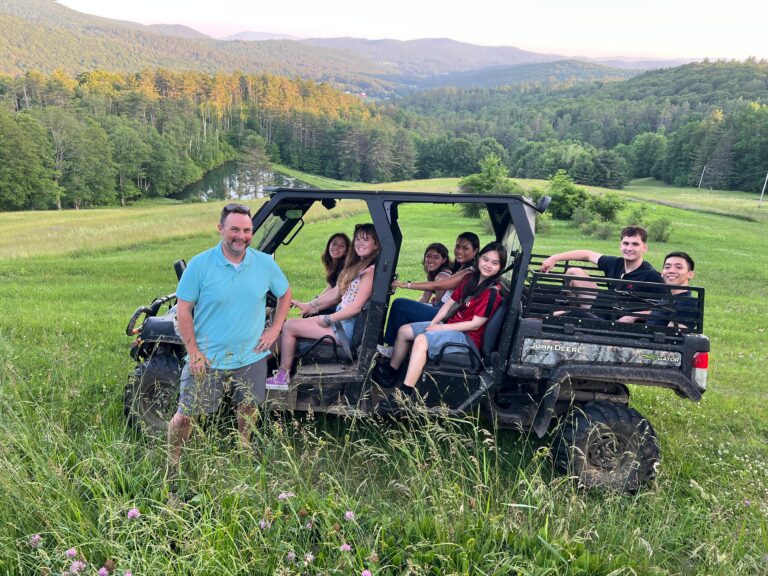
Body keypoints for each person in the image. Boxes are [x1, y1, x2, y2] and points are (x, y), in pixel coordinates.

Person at [168, 202, 292, 471]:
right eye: (235, 229)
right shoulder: (200, 265)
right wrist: (194, 353)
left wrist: (275, 329)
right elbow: (184, 310)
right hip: (208, 357)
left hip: (251, 356)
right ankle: (173, 463)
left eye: (247, 230)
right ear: (220, 229)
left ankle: (243, 447)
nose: (242, 236)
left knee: (248, 407)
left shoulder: (263, 263)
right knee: (185, 416)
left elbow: (285, 293)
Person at [375, 242, 507, 395]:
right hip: (452, 327)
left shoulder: (491, 292)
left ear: (500, 267)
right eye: (485, 259)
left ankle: (405, 393)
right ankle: (392, 373)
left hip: (467, 339)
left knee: (421, 340)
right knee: (404, 331)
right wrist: (433, 323)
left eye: (495, 263)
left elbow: (475, 324)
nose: (488, 265)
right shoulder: (469, 279)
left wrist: (441, 328)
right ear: (479, 259)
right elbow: (448, 304)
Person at [268, 223, 380, 388]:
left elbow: (356, 307)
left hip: (343, 329)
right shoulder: (358, 266)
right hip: (339, 322)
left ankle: (283, 377)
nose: (359, 243)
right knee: (289, 325)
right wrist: (310, 305)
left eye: (366, 239)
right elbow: (336, 292)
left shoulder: (369, 272)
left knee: (290, 326)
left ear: (376, 244)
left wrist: (328, 318)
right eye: (357, 238)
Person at [380, 232, 480, 354]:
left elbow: (437, 285)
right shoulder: (460, 267)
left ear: (475, 251)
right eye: (458, 246)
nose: (459, 251)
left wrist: (406, 284)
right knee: (405, 307)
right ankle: (401, 349)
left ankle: (392, 349)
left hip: (444, 314)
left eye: (465, 248)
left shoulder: (468, 271)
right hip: (440, 307)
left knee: (400, 305)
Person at [539, 225, 662, 317]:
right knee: (573, 272)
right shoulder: (615, 263)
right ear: (620, 245)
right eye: (626, 243)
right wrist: (554, 258)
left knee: (555, 316)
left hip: (614, 320)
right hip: (601, 305)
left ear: (644, 248)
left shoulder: (651, 275)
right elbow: (587, 254)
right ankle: (575, 313)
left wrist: (633, 317)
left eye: (635, 244)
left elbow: (665, 308)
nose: (629, 248)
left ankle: (575, 316)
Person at [299, 232, 351, 317]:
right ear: (329, 245)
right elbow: (331, 285)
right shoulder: (334, 264)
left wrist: (316, 308)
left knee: (310, 314)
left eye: (341, 246)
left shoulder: (344, 268)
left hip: (342, 308)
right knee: (308, 313)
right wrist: (319, 299)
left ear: (346, 251)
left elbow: (336, 298)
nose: (336, 248)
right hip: (336, 303)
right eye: (334, 244)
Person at [645, 251, 697, 328]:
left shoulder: (688, 303)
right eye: (667, 267)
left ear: (690, 274)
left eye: (678, 267)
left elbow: (673, 336)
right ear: (662, 273)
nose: (671, 271)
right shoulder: (667, 298)